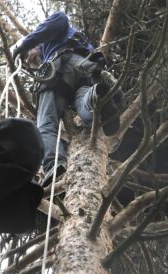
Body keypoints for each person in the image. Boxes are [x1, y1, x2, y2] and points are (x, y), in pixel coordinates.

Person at [12, 12, 122, 186]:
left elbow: (61, 17)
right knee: (86, 110)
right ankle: (98, 96)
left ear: (36, 43)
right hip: (86, 71)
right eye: (25, 60)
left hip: (62, 67)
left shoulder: (50, 38)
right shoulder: (71, 41)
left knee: (46, 123)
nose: (27, 59)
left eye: (27, 55)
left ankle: (53, 165)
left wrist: (25, 43)